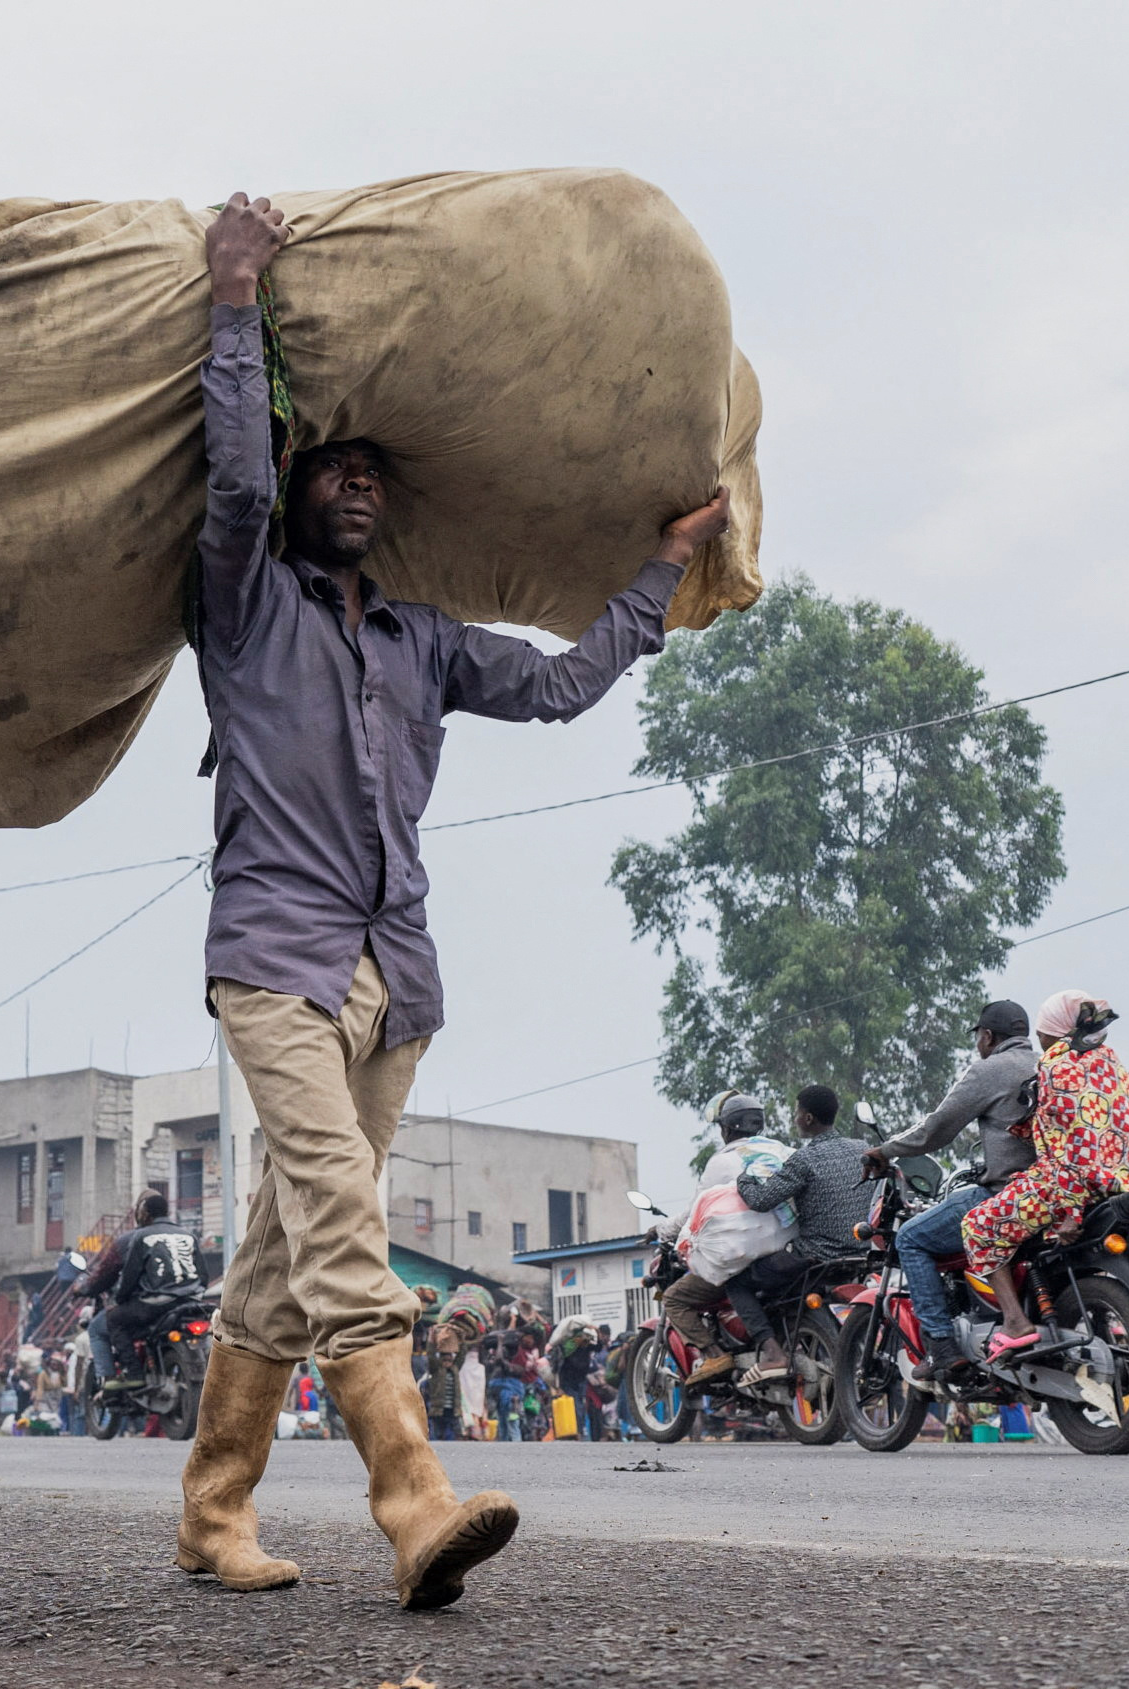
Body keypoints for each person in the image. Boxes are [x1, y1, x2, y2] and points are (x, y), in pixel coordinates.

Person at [174, 193, 732, 1608]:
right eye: (333, 468)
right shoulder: (243, 607)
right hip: (275, 959)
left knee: (283, 1256)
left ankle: (210, 1517)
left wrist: (663, 565)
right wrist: (234, 303)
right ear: (302, 493)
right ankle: (411, 1498)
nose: (354, 485)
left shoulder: (420, 641)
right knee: (345, 1229)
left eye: (373, 475)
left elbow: (548, 686)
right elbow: (234, 487)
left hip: (392, 978)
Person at [959, 993, 1129, 1360]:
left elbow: (1067, 1147)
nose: (1040, 1041)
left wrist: (1068, 1213)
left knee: (977, 1227)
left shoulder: (1056, 1066)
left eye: (1044, 1034)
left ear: (1056, 1033)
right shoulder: (1108, 1060)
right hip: (1120, 1181)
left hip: (1069, 1183)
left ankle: (1015, 1322)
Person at [864, 1000, 1039, 1378]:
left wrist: (885, 1150)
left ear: (988, 1036)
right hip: (1056, 1193)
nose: (979, 1043)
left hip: (1005, 1193)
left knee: (911, 1238)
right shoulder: (1051, 1066)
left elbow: (937, 1128)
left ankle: (941, 1346)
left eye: (979, 1037)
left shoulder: (991, 1069)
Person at [731, 1084, 870, 1383]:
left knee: (736, 1281)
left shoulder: (804, 1160)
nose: (795, 1118)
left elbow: (761, 1200)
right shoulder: (862, 1149)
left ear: (807, 1118)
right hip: (863, 1257)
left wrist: (745, 1178)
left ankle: (771, 1352)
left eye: (796, 1113)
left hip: (816, 1258)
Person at [660, 1092, 795, 1385]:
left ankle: (714, 1355)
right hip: (788, 1249)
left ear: (726, 1129)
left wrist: (663, 1232)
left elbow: (693, 1213)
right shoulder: (784, 1151)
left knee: (675, 1297)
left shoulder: (721, 1162)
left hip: (745, 1255)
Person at [85, 1192, 204, 1388]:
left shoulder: (140, 1237)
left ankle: (133, 1374)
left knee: (114, 1319)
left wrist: (121, 1298)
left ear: (145, 1212)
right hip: (190, 1300)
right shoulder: (187, 1234)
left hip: (155, 1303)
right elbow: (203, 1273)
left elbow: (129, 1274)